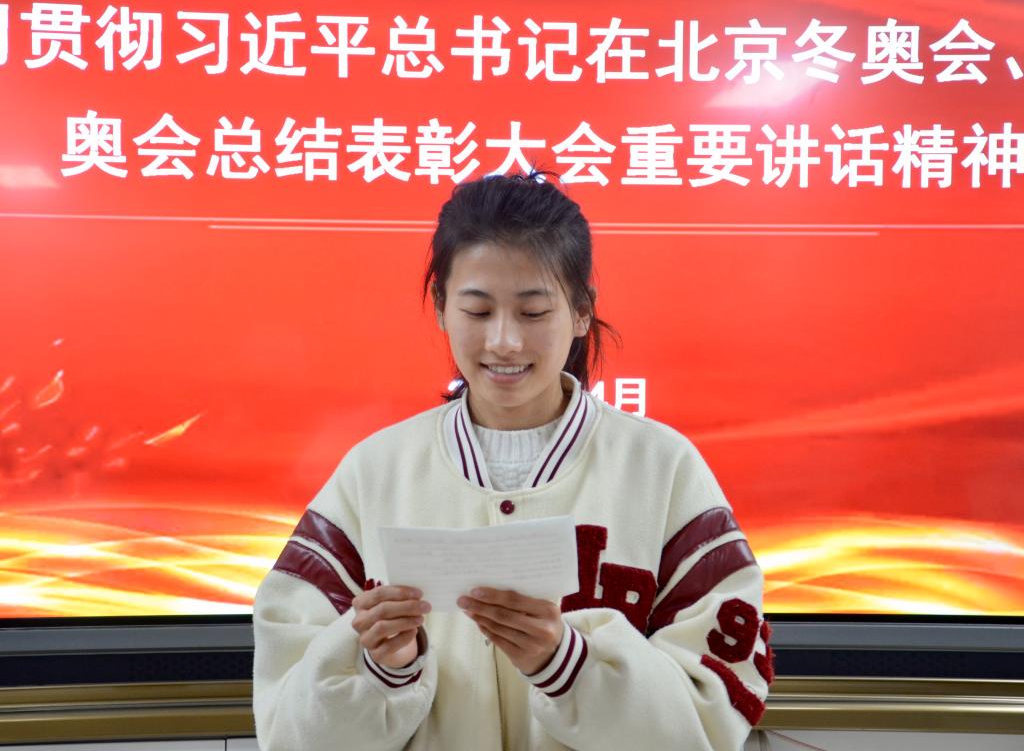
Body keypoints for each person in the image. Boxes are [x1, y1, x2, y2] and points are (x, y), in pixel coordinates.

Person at [252, 173, 773, 751]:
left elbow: (715, 714)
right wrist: (382, 670)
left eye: (533, 312)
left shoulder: (663, 469)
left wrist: (569, 666)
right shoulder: (373, 473)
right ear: (441, 308)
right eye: (478, 312)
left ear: (581, 313)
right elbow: (288, 728)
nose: (504, 341)